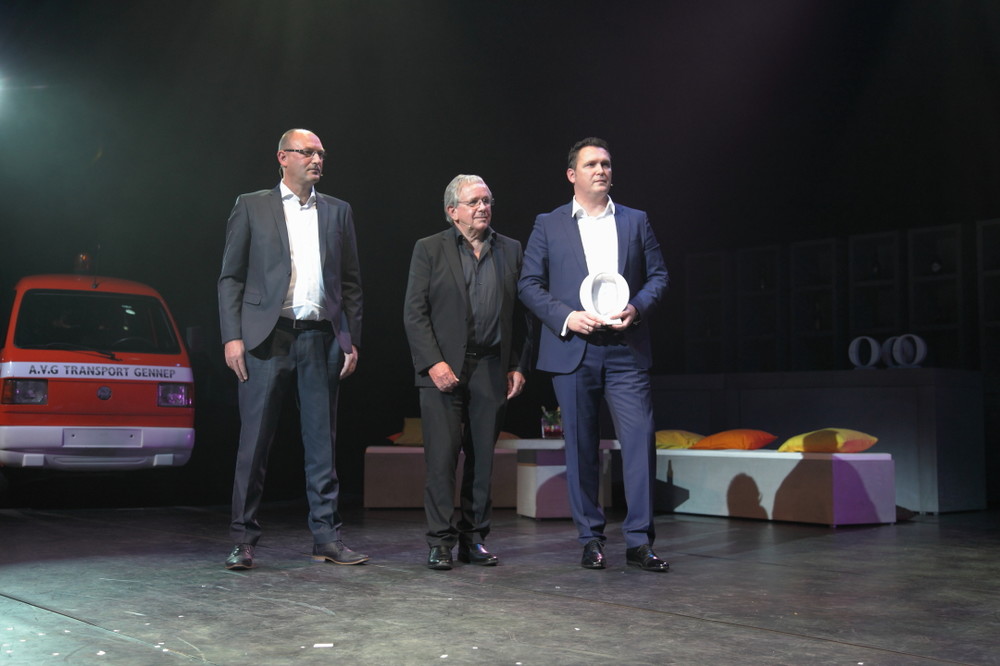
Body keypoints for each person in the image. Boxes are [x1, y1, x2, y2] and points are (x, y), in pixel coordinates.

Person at [518, 137, 671, 572]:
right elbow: (529, 284)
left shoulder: (635, 220)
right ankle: (591, 539)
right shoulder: (549, 224)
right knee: (581, 446)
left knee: (639, 441)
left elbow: (659, 276)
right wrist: (567, 317)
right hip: (575, 348)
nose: (601, 170)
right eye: (591, 164)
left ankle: (639, 542)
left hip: (625, 348)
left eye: (606, 163)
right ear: (572, 175)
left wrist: (636, 308)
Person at [218, 128, 367, 570]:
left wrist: (350, 338)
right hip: (267, 337)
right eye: (307, 152)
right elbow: (231, 277)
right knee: (255, 443)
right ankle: (243, 538)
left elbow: (351, 283)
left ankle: (327, 537)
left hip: (321, 337)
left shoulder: (338, 211)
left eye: (321, 153)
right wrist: (232, 336)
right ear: (283, 157)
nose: (317, 160)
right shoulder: (252, 205)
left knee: (323, 445)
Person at [403, 174, 530, 570]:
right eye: (474, 202)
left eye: (487, 200)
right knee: (441, 460)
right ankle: (440, 541)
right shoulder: (429, 249)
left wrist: (517, 364)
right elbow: (414, 312)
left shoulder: (510, 249)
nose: (483, 208)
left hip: (490, 366)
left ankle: (474, 539)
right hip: (442, 369)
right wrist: (433, 362)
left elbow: (521, 315)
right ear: (452, 211)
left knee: (482, 461)